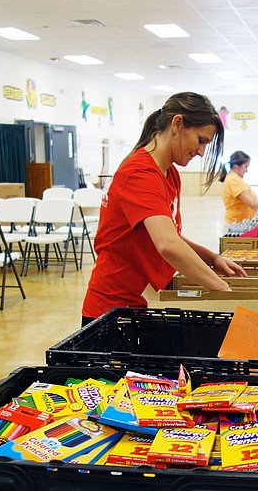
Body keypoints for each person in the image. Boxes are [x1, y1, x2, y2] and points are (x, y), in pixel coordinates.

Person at [81, 92, 246, 325]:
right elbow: (168, 245)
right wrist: (224, 290)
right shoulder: (140, 173)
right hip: (114, 310)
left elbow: (172, 236)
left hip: (145, 302)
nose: (201, 152)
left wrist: (212, 258)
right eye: (200, 141)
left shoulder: (169, 173)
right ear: (177, 124)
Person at [220, 150, 258, 224]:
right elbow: (252, 203)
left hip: (240, 223)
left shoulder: (234, 178)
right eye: (246, 166)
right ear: (235, 167)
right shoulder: (234, 180)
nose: (246, 170)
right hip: (236, 225)